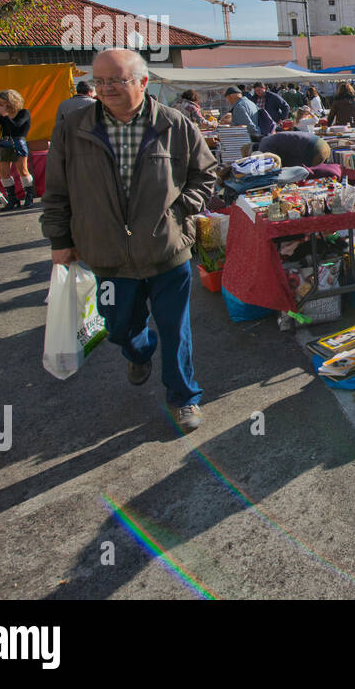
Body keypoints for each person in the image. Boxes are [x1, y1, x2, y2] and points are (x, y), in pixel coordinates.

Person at [41, 47, 218, 433]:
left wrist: (181, 209)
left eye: (116, 81)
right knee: (117, 325)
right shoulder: (74, 128)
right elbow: (55, 191)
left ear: (142, 82)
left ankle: (184, 397)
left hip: (166, 248)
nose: (106, 89)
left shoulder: (174, 124)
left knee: (176, 327)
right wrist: (60, 239)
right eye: (100, 81)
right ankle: (138, 349)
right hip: (105, 253)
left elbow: (205, 174)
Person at [0, 89, 34, 209]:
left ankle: (29, 196)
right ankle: (12, 198)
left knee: (23, 170)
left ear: (11, 102)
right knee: (3, 172)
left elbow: (16, 127)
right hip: (4, 143)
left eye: (3, 103)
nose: (1, 106)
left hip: (18, 141)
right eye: (0, 103)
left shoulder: (23, 113)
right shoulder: (3, 115)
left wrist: (5, 116)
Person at [257, 130, 331, 168]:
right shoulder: (267, 139)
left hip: (314, 149)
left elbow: (274, 168)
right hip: (323, 143)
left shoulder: (263, 148)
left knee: (305, 176)